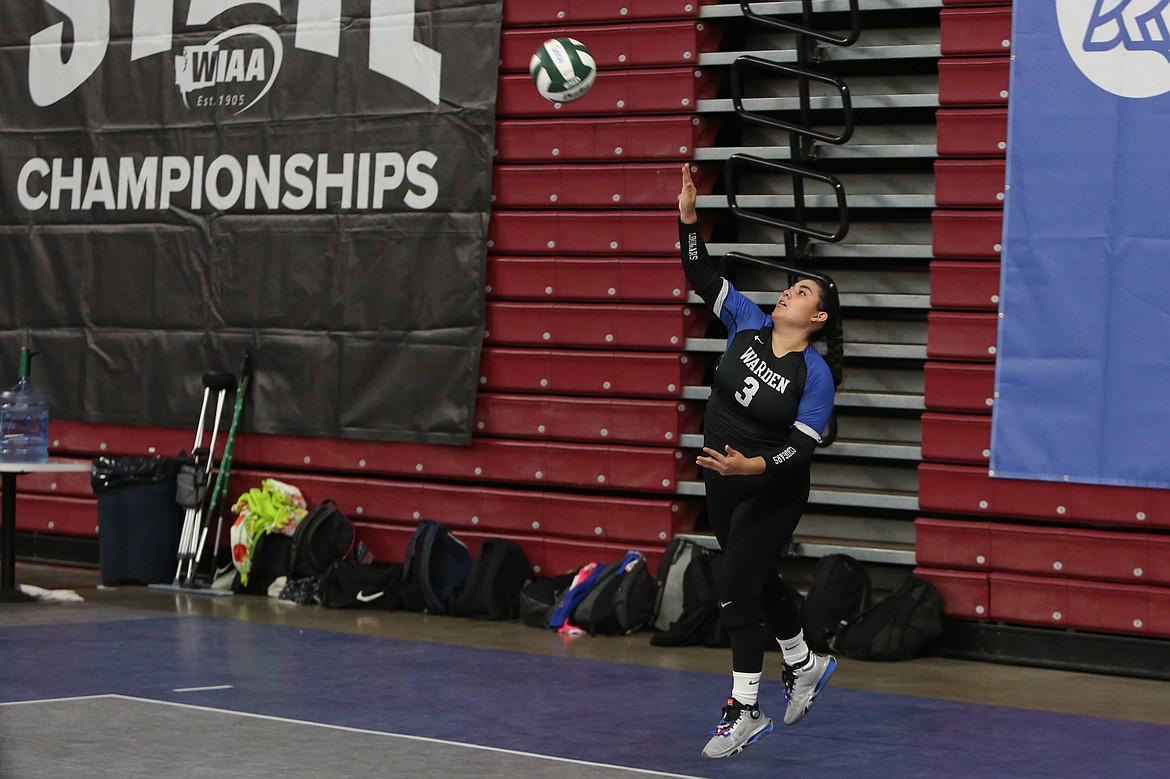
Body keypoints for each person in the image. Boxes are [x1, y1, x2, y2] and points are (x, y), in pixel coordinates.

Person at [677, 164, 845, 759]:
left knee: (733, 590)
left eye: (802, 293)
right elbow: (701, 272)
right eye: (790, 287)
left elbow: (802, 445)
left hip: (771, 489)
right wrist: (690, 217)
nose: (787, 293)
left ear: (817, 318)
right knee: (755, 580)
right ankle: (804, 662)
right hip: (723, 481)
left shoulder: (814, 374)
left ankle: (743, 708)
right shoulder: (746, 323)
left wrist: (755, 468)